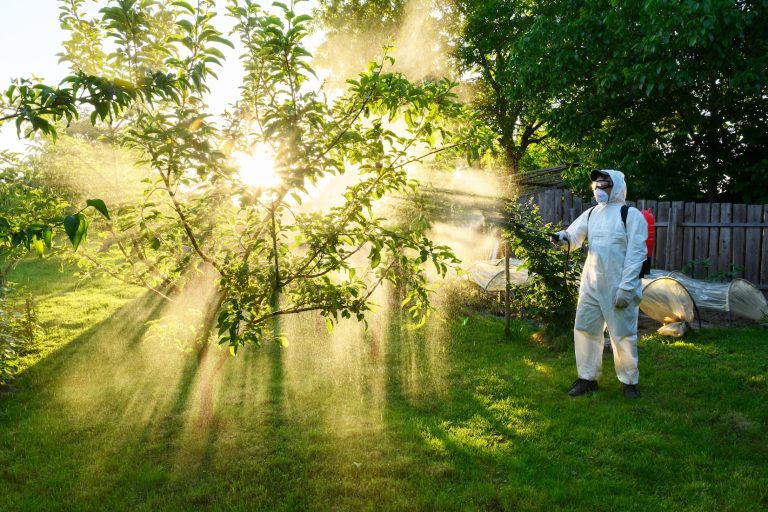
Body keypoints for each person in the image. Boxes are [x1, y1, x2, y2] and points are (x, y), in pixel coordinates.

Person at [552, 169, 648, 398]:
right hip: (591, 285)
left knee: (623, 334)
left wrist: (627, 287)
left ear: (616, 186)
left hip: (618, 287)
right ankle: (587, 378)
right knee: (585, 329)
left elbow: (637, 254)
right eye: (595, 186)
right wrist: (561, 238)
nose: (598, 189)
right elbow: (573, 237)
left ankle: (629, 382)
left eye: (603, 184)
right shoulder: (592, 214)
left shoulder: (631, 215)